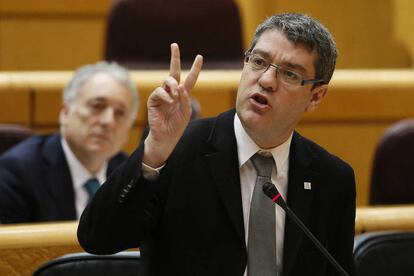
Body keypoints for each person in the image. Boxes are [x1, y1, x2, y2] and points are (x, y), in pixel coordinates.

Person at [78, 13, 356, 276]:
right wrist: (154, 151)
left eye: (290, 75)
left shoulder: (332, 179)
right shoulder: (178, 150)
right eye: (259, 62)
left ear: (316, 97)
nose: (267, 80)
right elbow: (97, 238)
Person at [0, 61, 139, 224]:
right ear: (65, 113)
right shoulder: (18, 172)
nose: (108, 121)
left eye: (120, 113)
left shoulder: (130, 175)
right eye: (97, 106)